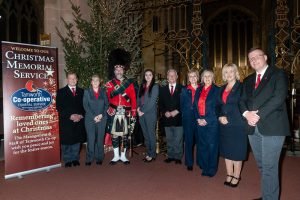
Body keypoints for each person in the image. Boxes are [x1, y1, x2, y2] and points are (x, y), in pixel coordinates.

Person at [239, 47, 290, 200]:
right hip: (252, 127)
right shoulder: (247, 80)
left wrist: (257, 115)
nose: (253, 60)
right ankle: (268, 195)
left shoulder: (278, 74)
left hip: (272, 126)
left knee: (269, 167)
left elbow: (278, 97)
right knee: (262, 165)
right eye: (250, 58)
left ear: (265, 57)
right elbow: (241, 101)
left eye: (256, 56)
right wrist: (246, 114)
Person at [217, 63, 247, 187]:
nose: (229, 74)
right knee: (227, 151)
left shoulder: (242, 87)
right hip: (224, 124)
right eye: (226, 72)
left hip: (237, 123)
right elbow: (217, 105)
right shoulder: (221, 88)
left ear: (236, 73)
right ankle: (229, 174)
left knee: (237, 151)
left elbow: (244, 104)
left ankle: (236, 175)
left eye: (231, 71)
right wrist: (220, 116)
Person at [105, 48, 137, 165]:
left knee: (124, 134)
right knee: (114, 134)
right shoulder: (109, 84)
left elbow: (133, 98)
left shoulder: (129, 83)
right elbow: (107, 99)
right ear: (114, 70)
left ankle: (123, 156)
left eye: (121, 69)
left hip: (126, 111)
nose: (118, 71)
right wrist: (109, 108)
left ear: (124, 70)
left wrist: (133, 112)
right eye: (116, 69)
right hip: (114, 111)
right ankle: (116, 156)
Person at [56, 71, 86, 168]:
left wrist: (81, 115)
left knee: (77, 140)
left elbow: (85, 106)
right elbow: (59, 107)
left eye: (74, 78)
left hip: (79, 120)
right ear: (67, 80)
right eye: (70, 78)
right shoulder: (61, 92)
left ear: (77, 80)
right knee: (67, 141)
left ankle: (75, 158)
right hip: (66, 120)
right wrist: (70, 115)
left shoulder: (82, 91)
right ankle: (67, 159)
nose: (72, 80)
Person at [194, 69, 219, 177]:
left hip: (212, 122)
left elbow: (217, 108)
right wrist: (198, 118)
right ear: (202, 78)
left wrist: (207, 120)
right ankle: (204, 166)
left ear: (213, 78)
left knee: (212, 145)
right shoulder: (199, 89)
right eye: (205, 76)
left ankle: (212, 168)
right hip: (200, 121)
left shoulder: (217, 90)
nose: (207, 78)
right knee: (202, 145)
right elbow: (194, 106)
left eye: (209, 76)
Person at [83, 75, 109, 166]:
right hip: (90, 119)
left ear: (100, 82)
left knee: (100, 139)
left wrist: (101, 115)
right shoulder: (87, 92)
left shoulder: (103, 92)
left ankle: (99, 157)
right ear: (91, 82)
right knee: (91, 139)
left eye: (97, 80)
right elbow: (85, 106)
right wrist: (94, 116)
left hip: (102, 118)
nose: (95, 82)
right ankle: (89, 158)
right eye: (93, 80)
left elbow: (106, 104)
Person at [159, 69, 183, 164]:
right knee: (169, 138)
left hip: (178, 117)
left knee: (178, 139)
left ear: (177, 77)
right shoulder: (162, 89)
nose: (172, 77)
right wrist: (165, 111)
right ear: (167, 77)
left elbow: (184, 103)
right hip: (167, 117)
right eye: (170, 75)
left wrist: (177, 111)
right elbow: (160, 103)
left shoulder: (182, 88)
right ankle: (170, 155)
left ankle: (178, 157)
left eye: (174, 75)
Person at [137, 69, 159, 162]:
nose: (148, 76)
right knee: (145, 134)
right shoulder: (142, 86)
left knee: (151, 134)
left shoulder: (155, 86)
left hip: (150, 114)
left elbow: (152, 102)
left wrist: (142, 111)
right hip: (141, 113)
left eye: (150, 75)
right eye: (146, 75)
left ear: (152, 76)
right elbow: (138, 98)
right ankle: (148, 151)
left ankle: (152, 154)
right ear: (144, 76)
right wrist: (138, 108)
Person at [180, 68, 200, 171]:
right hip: (188, 118)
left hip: (200, 117)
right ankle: (189, 162)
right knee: (188, 140)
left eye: (194, 76)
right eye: (190, 76)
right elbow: (181, 105)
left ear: (197, 77)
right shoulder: (184, 90)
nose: (192, 78)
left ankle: (200, 161)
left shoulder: (202, 89)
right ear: (188, 78)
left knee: (200, 140)